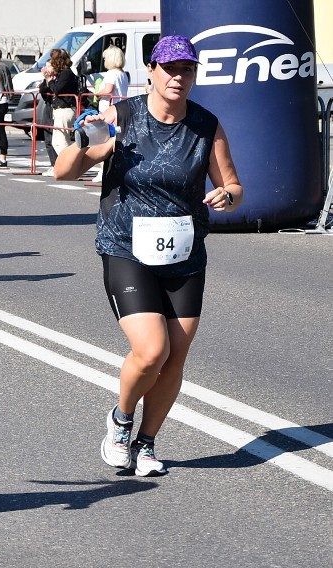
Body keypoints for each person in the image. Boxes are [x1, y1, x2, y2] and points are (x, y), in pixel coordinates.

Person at [55, 35, 244, 477]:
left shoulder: (206, 125)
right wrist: (93, 148)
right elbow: (64, 169)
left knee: (176, 357)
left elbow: (234, 186)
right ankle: (121, 421)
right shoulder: (121, 115)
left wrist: (226, 197)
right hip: (126, 246)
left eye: (187, 70)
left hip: (184, 253)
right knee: (151, 349)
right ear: (152, 72)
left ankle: (147, 441)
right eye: (170, 69)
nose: (179, 77)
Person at [90, 45, 129, 183]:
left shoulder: (111, 74)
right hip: (120, 108)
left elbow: (108, 89)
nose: (104, 60)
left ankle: (103, 171)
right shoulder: (123, 74)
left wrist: (96, 93)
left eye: (106, 57)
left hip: (108, 110)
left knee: (103, 141)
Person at [47, 49, 78, 170]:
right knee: (62, 141)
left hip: (65, 109)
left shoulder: (66, 73)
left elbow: (57, 89)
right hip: (61, 109)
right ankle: (70, 165)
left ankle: (71, 166)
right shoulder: (63, 73)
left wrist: (50, 80)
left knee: (59, 142)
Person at [38, 55, 58, 176]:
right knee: (47, 138)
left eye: (49, 66)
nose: (47, 68)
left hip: (55, 108)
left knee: (55, 138)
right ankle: (53, 164)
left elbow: (55, 90)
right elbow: (43, 92)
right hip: (48, 107)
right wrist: (45, 79)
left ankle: (58, 164)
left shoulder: (57, 79)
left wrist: (49, 80)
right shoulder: (47, 79)